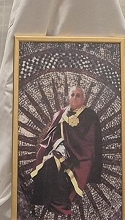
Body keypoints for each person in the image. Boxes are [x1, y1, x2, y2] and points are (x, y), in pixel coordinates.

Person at [27, 86, 101, 217]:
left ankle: (61, 205)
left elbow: (89, 141)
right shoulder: (61, 113)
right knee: (49, 163)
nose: (74, 98)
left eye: (78, 95)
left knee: (65, 173)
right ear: (68, 97)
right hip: (61, 150)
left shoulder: (90, 115)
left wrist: (72, 151)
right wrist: (58, 145)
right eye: (72, 94)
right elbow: (52, 135)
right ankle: (45, 200)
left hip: (81, 155)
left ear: (83, 99)